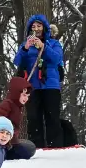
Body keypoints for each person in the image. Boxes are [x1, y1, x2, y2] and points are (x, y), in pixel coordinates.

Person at [14, 14, 64, 148]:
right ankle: (36, 146)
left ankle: (55, 146)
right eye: (33, 26)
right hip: (33, 86)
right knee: (33, 117)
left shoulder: (53, 43)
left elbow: (57, 59)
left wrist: (43, 47)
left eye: (39, 26)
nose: (36, 29)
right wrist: (25, 49)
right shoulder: (26, 44)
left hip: (50, 85)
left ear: (45, 28)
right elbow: (17, 61)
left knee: (52, 116)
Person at [0, 75, 36, 160]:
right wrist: (3, 125)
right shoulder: (8, 103)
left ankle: (2, 151)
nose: (26, 98)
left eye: (28, 96)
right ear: (16, 93)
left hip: (9, 141)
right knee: (26, 152)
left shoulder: (18, 106)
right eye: (24, 95)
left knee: (30, 147)